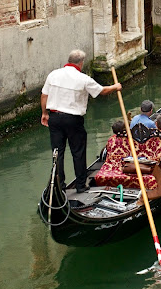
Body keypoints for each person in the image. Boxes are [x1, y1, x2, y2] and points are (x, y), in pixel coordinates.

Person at [41, 49, 122, 193]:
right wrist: (115, 87)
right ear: (81, 63)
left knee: (57, 153)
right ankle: (80, 185)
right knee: (78, 152)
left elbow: (44, 96)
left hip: (54, 119)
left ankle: (59, 187)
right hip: (73, 120)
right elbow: (102, 91)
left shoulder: (53, 74)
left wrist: (44, 113)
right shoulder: (83, 78)